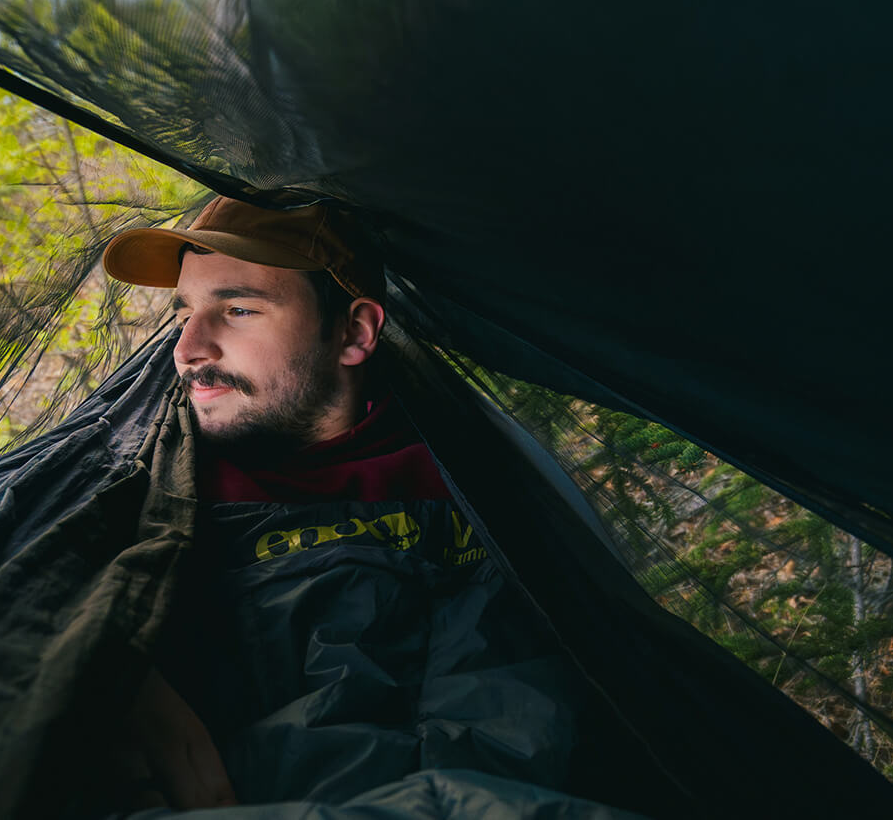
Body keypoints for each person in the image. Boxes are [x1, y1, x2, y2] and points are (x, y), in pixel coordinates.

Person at [99, 197, 636, 818]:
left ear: (354, 332)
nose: (189, 349)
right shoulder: (148, 488)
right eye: (185, 313)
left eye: (239, 310)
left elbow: (500, 731)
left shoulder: (468, 489)